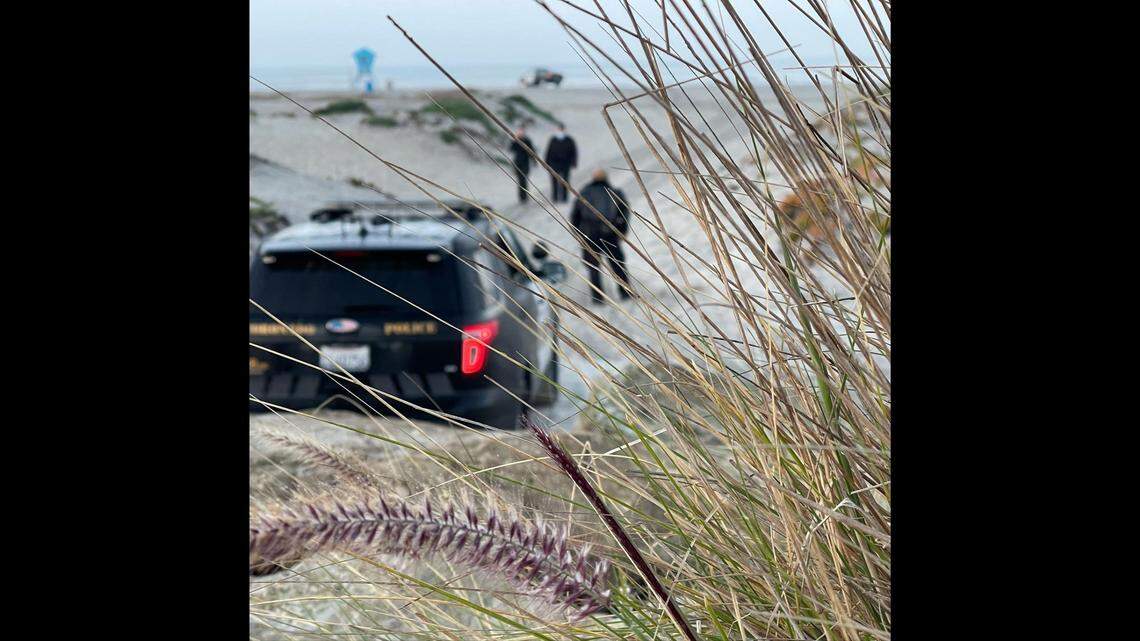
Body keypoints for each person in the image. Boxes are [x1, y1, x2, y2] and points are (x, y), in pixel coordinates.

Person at [570, 169, 636, 303]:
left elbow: (575, 215)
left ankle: (598, 296)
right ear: (606, 178)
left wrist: (579, 233)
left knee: (594, 267)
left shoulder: (584, 193)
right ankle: (625, 292)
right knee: (617, 264)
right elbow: (624, 212)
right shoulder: (614, 192)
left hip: (589, 234)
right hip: (610, 233)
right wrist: (622, 230)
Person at [544, 124, 578, 203]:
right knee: (554, 181)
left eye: (562, 130)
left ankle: (564, 198)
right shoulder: (553, 140)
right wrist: (546, 162)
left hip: (565, 164)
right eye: (559, 130)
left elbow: (574, 152)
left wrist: (574, 162)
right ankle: (555, 197)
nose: (560, 131)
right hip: (554, 163)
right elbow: (549, 151)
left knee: (565, 181)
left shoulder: (569, 140)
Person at [508, 128, 536, 203]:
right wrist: (514, 140)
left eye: (521, 132)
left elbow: (532, 151)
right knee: (519, 181)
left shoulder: (527, 140)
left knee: (524, 179)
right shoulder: (515, 141)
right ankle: (521, 197)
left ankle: (525, 196)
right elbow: (511, 149)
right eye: (519, 132)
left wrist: (534, 161)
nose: (520, 133)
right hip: (517, 163)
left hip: (525, 163)